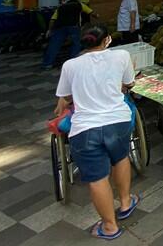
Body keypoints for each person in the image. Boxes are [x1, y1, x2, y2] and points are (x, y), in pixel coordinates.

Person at [53, 25, 140, 240]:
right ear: (107, 39)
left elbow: (65, 97)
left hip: (85, 129)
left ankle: (109, 226)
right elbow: (129, 83)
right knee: (120, 158)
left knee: (97, 178)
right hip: (118, 122)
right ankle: (126, 202)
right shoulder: (122, 55)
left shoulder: (70, 65)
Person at [42, 0, 96, 70]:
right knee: (76, 44)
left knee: (54, 45)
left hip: (59, 27)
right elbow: (92, 13)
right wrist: (97, 16)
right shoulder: (79, 5)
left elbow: (52, 20)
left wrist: (49, 30)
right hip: (73, 26)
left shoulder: (61, 7)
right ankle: (73, 63)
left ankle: (47, 64)